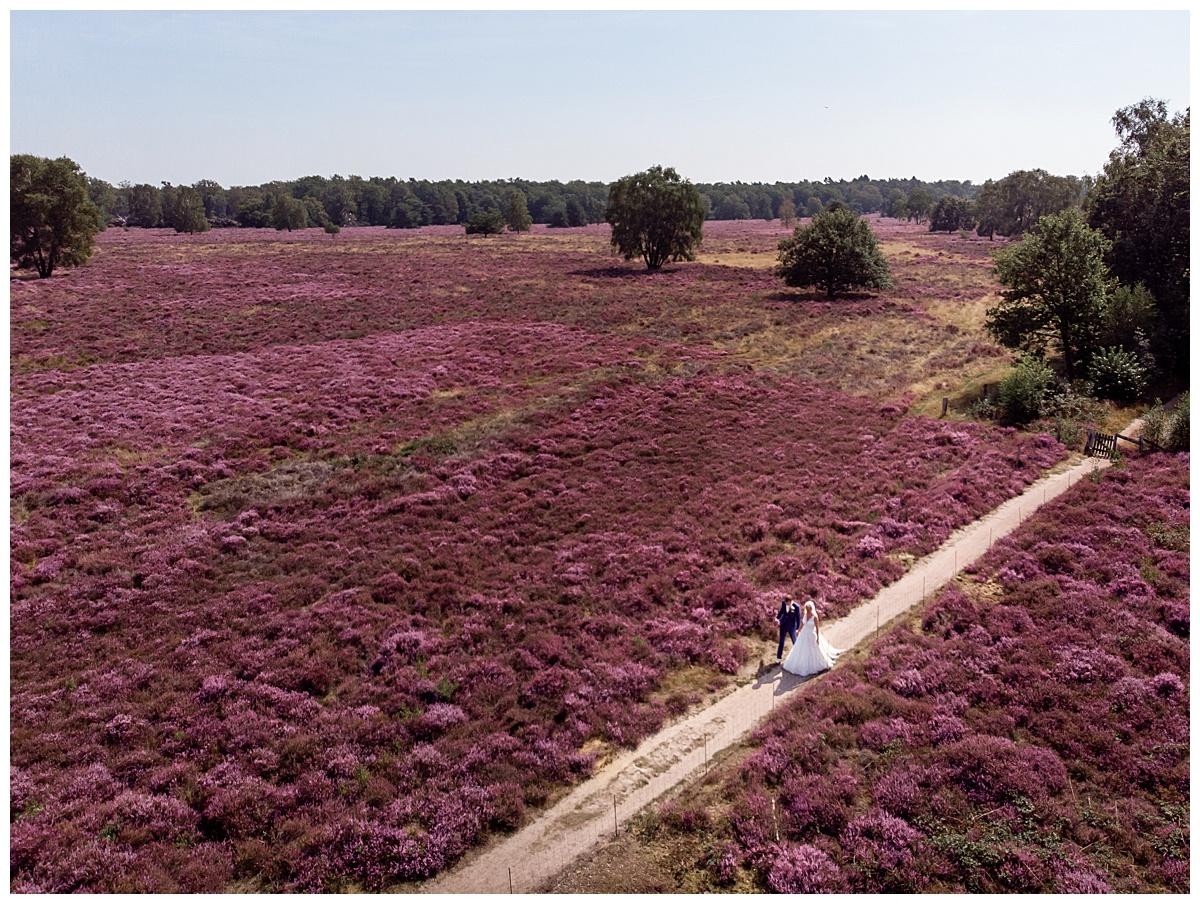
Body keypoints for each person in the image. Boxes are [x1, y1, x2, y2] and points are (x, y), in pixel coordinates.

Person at [782, 600, 839, 676]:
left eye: (808, 609)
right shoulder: (805, 615)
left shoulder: (815, 617)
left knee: (813, 649)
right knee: (802, 649)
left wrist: (818, 638)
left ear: (811, 609)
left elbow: (817, 628)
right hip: (804, 634)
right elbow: (802, 623)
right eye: (807, 609)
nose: (807, 611)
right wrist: (798, 630)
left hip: (811, 634)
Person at [774, 596, 801, 662]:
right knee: (781, 641)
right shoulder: (783, 603)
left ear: (790, 601)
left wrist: (797, 628)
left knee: (794, 641)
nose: (786, 604)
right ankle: (778, 657)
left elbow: (798, 618)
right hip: (783, 625)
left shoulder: (796, 607)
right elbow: (781, 612)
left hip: (792, 626)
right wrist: (777, 618)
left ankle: (798, 656)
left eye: (787, 603)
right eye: (785, 603)